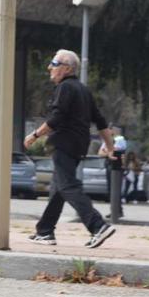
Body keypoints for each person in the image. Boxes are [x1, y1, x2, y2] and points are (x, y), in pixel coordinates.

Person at [22, 50, 115, 248]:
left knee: (68, 186)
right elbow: (100, 122)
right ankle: (45, 231)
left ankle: (97, 225)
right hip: (78, 145)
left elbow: (56, 119)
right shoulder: (83, 90)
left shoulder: (65, 88)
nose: (50, 67)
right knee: (58, 188)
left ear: (67, 68)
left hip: (63, 143)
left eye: (54, 63)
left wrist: (34, 135)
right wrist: (110, 146)